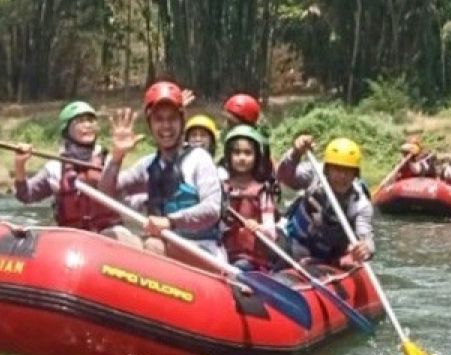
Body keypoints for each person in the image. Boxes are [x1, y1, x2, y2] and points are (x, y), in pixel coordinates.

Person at [100, 81, 223, 258]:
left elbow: (211, 210)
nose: (166, 126)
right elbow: (106, 193)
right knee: (111, 236)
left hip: (202, 249)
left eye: (172, 118)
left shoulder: (199, 159)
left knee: (153, 245)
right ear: (150, 124)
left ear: (182, 121)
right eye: (159, 119)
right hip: (163, 246)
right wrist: (117, 158)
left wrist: (170, 222)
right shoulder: (148, 164)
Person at [14, 101, 141, 247]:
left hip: (108, 234)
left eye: (90, 120)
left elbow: (116, 189)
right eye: (80, 121)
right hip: (72, 238)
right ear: (66, 129)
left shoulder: (110, 161)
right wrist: (20, 165)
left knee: (126, 240)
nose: (87, 125)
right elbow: (25, 195)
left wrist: (118, 156)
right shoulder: (55, 168)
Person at [281, 137, 375, 267]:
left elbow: (366, 238)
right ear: (327, 169)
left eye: (348, 171)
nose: (342, 176)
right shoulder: (315, 174)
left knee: (352, 262)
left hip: (329, 256)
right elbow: (285, 177)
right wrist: (296, 153)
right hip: (295, 241)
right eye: (337, 169)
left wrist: (365, 249)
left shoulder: (360, 203)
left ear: (355, 174)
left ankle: (328, 263)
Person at [219, 125, 278, 270]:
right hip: (221, 254)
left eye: (247, 153)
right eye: (236, 152)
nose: (242, 158)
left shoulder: (262, 191)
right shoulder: (221, 188)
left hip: (251, 260)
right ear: (228, 155)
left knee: (240, 266)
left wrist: (258, 227)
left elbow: (271, 232)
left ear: (256, 156)